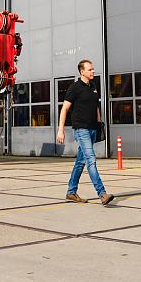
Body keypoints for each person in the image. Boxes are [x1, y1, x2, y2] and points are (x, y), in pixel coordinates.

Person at [56, 59, 114, 205]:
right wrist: (60, 130)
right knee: (91, 160)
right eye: (90, 70)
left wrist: (99, 122)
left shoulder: (93, 86)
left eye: (93, 69)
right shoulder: (74, 88)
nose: (93, 71)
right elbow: (65, 109)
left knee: (80, 162)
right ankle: (102, 194)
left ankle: (71, 192)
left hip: (93, 129)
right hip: (81, 129)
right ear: (82, 72)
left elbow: (96, 106)